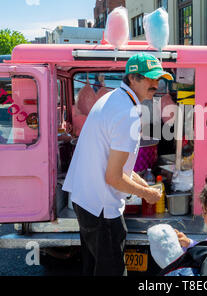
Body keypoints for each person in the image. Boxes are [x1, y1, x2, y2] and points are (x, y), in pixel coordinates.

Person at [62, 53, 173, 276]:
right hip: (102, 209)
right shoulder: (127, 113)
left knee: (93, 267)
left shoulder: (113, 98)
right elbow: (113, 178)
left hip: (86, 200)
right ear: (132, 78)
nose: (155, 83)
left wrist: (144, 185)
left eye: (158, 78)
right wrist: (147, 194)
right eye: (149, 78)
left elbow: (118, 167)